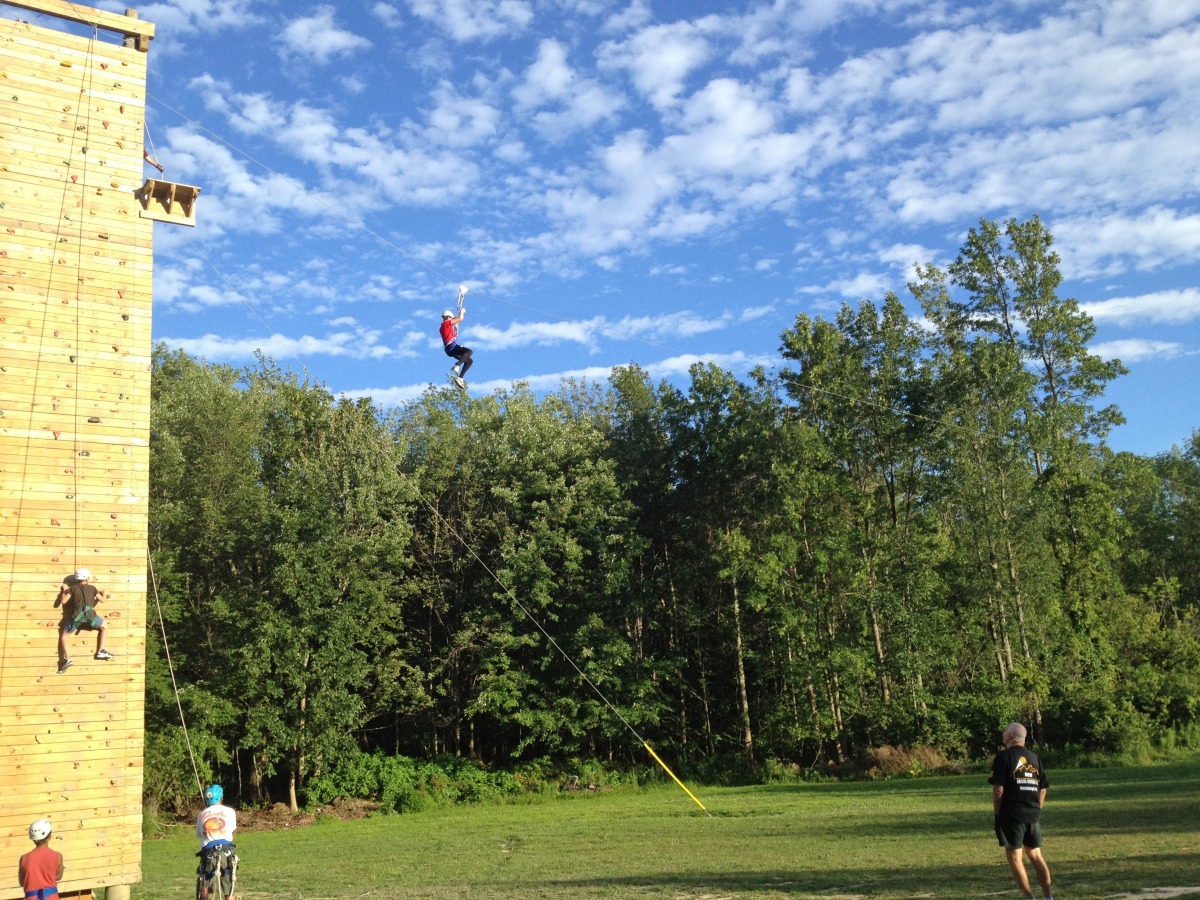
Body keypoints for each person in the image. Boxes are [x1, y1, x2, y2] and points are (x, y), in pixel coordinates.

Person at [990, 722, 1053, 900]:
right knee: (1036, 855)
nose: (1003, 735)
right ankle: (1048, 897)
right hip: (1033, 815)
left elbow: (998, 789)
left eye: (1005, 733)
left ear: (1010, 736)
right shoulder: (1034, 758)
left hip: (1012, 814)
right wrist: (1036, 809)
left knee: (1015, 857)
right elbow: (1043, 789)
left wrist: (997, 813)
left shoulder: (1003, 757)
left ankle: (1030, 898)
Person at [55, 568, 114, 674]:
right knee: (104, 627)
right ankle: (101, 650)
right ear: (87, 578)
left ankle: (68, 659)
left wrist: (64, 590)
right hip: (91, 616)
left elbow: (63, 601)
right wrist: (104, 593)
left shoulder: (72, 588)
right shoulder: (92, 588)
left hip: (77, 617)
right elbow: (102, 600)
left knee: (64, 636)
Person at [196, 784, 238, 899]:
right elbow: (232, 830)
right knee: (229, 886)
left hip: (208, 854)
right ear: (221, 797)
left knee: (205, 886)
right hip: (226, 853)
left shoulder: (201, 814)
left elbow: (200, 834)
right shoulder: (230, 811)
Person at [18, 818, 64, 900]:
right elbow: (58, 877)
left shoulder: (24, 858)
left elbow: (22, 882)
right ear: (49, 836)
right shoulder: (58, 856)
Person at [439, 307, 472, 389]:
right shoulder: (446, 324)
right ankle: (457, 365)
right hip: (452, 346)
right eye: (451, 318)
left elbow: (449, 332)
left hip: (449, 350)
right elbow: (460, 318)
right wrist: (462, 311)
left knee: (469, 361)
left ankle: (460, 378)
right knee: (469, 352)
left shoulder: (443, 327)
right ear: (448, 317)